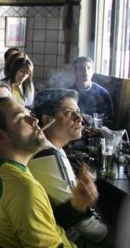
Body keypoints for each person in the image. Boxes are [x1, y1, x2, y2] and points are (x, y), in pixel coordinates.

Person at [0, 97, 78, 248]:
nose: (34, 120)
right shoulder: (23, 189)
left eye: (29, 113)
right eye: (21, 117)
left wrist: (77, 206)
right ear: (1, 136)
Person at [29, 89, 107, 243]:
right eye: (69, 112)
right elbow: (88, 229)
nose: (79, 118)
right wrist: (111, 233)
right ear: (46, 119)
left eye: (78, 111)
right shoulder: (48, 157)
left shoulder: (48, 148)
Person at [70, 56, 115, 127]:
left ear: (93, 71)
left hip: (96, 132)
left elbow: (109, 119)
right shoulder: (69, 93)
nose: (85, 72)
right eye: (82, 68)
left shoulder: (102, 94)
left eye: (88, 68)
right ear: (75, 71)